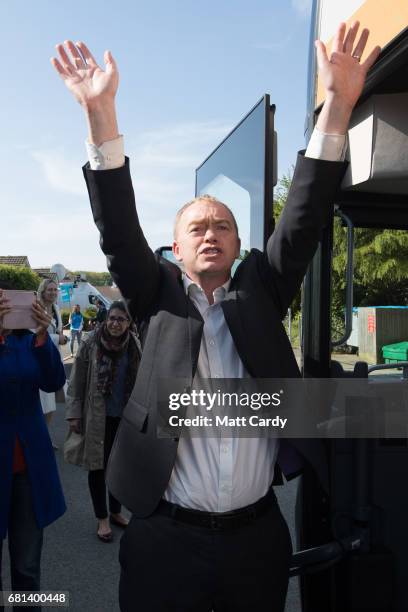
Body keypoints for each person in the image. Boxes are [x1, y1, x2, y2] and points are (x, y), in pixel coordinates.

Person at [52, 22, 381, 612]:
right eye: (196, 228)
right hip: (164, 536)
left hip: (255, 540)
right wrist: (100, 115)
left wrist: (338, 104)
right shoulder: (157, 299)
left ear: (238, 242)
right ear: (176, 250)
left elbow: (303, 220)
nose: (210, 234)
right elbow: (120, 233)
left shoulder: (261, 289)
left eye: (222, 225)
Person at [0, 282, 66, 607]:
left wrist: (43, 335)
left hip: (27, 467)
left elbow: (53, 381)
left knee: (26, 568)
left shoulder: (30, 342)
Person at [65, 301, 140, 542]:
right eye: (112, 318)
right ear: (105, 320)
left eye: (121, 319)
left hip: (125, 417)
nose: (116, 323)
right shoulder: (90, 343)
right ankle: (102, 518)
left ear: (129, 323)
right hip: (97, 416)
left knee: (120, 468)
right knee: (97, 466)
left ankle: (116, 511)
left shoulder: (134, 345)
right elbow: (76, 381)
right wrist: (74, 414)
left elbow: (141, 380)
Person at [37, 277, 67, 449]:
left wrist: (60, 336)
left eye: (55, 290)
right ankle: (41, 438)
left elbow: (57, 329)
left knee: (52, 405)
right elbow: (35, 334)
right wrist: (59, 338)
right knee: (44, 403)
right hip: (41, 361)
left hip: (54, 359)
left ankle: (44, 436)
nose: (53, 293)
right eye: (50, 290)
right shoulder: (36, 309)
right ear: (43, 291)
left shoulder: (56, 308)